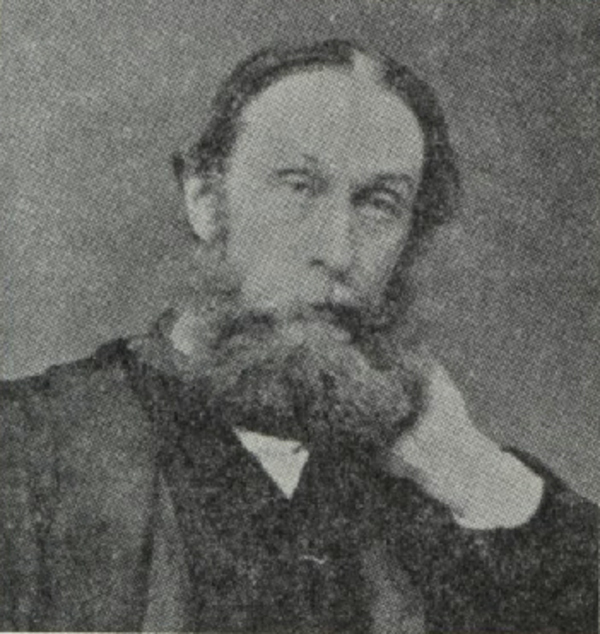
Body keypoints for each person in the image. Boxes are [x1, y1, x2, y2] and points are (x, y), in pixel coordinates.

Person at [0, 39, 597, 634]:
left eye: (379, 204)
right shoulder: (29, 447)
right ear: (205, 199)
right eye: (299, 186)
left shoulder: (437, 477)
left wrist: (478, 476)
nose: (338, 251)